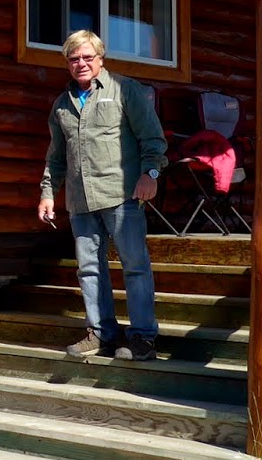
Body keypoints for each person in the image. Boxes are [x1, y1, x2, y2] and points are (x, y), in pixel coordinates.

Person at [37, 29, 166, 361]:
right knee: (89, 269)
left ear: (100, 59)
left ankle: (142, 337)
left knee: (135, 266)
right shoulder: (62, 105)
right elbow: (56, 156)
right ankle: (101, 333)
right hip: (80, 201)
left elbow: (153, 139)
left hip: (121, 195)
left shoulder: (125, 90)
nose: (81, 63)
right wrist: (48, 193)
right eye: (74, 59)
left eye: (87, 57)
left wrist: (149, 174)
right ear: (67, 63)